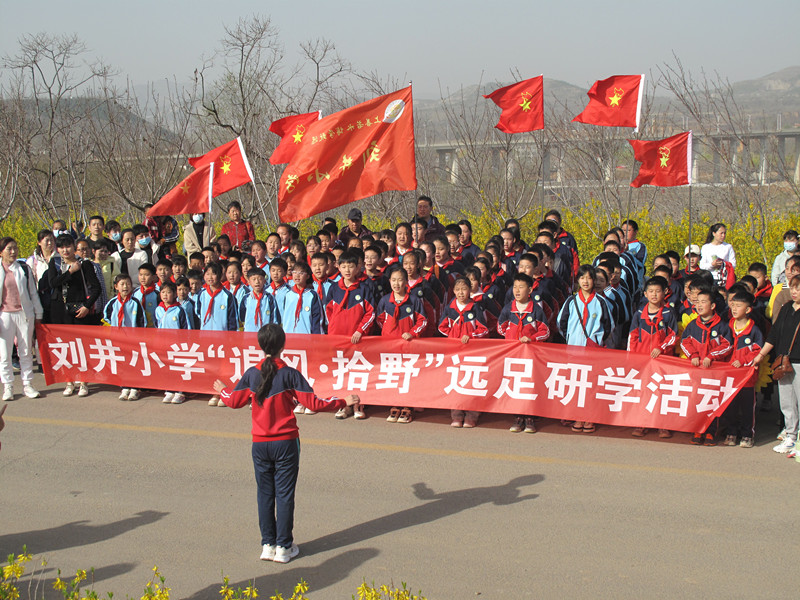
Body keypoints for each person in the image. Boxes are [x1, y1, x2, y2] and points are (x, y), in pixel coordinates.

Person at [213, 324, 359, 564]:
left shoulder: (251, 373)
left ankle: (267, 544)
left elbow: (234, 401)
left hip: (260, 444)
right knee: (284, 494)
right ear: (283, 345)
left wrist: (222, 390)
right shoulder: (290, 374)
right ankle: (284, 545)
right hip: (286, 443)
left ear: (261, 346)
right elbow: (315, 403)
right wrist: (344, 400)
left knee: (265, 493)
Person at [557, 265, 612, 434]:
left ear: (594, 280)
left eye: (588, 278)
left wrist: (596, 339)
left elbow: (609, 326)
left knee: (591, 384)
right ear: (578, 281)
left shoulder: (601, 302)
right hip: (574, 350)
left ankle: (590, 417)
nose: (585, 281)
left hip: (592, 351)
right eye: (582, 278)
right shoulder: (571, 301)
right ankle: (576, 415)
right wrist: (571, 337)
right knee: (575, 382)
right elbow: (561, 323)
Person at [47, 234, 102, 397]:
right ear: (57, 249)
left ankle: (84, 381)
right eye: (62, 247)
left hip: (79, 310)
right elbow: (53, 283)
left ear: (74, 247)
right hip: (59, 311)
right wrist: (70, 272)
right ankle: (69, 381)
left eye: (68, 246)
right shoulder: (55, 262)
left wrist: (87, 306)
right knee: (64, 347)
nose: (65, 250)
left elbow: (97, 288)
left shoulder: (84, 264)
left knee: (80, 347)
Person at [324, 251, 375, 420]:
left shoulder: (364, 289)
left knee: (357, 371)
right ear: (338, 267)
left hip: (357, 339)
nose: (347, 270)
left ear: (358, 268)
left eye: (351, 266)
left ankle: (359, 404)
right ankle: (343, 405)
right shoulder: (333, 288)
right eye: (343, 266)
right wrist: (333, 330)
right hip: (337, 338)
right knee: (341, 372)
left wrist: (360, 330)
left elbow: (371, 313)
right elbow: (328, 311)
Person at [680, 289, 734, 445]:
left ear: (713, 305)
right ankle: (697, 430)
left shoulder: (722, 326)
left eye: (704, 302)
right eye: (697, 302)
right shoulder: (692, 325)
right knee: (696, 400)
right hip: (697, 371)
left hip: (714, 372)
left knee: (712, 401)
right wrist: (693, 355)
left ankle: (711, 432)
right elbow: (685, 342)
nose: (699, 305)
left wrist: (712, 356)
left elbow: (727, 345)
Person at [754, 275, 800, 456]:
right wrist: (761, 355)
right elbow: (773, 335)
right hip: (784, 361)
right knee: (787, 401)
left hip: (799, 362)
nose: (794, 291)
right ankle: (790, 435)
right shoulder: (787, 307)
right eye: (793, 287)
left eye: (798, 288)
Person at [627, 276, 678, 438]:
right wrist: (632, 358)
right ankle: (641, 423)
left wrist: (661, 348)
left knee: (661, 391)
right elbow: (632, 336)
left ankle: (663, 425)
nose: (654, 294)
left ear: (665, 293)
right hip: (642, 360)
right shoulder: (639, 313)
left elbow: (673, 336)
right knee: (643, 391)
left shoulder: (669, 313)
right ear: (645, 294)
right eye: (651, 291)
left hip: (662, 361)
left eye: (658, 291)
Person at [499, 273, 550, 434]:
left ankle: (530, 418)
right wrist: (510, 336)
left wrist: (532, 338)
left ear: (530, 290)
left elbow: (545, 331)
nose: (517, 290)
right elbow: (500, 327)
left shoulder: (536, 309)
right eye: (515, 287)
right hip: (513, 355)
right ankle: (517, 417)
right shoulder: (509, 308)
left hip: (530, 356)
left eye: (521, 287)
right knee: (515, 384)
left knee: (529, 385)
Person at [376, 267, 428, 425]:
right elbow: (379, 319)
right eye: (393, 280)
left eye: (400, 280)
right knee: (393, 374)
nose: (396, 283)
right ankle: (395, 403)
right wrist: (388, 334)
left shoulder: (414, 301)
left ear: (406, 282)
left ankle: (407, 405)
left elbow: (423, 321)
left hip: (408, 345)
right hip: (390, 346)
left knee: (407, 375)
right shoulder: (385, 300)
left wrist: (411, 333)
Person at [438, 276, 489, 428]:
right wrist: (453, 336)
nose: (461, 293)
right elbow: (441, 326)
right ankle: (457, 414)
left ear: (470, 290)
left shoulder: (476, 307)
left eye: (464, 289)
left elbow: (484, 329)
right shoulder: (450, 308)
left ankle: (472, 414)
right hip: (454, 352)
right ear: (453, 291)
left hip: (472, 352)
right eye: (458, 289)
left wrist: (471, 336)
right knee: (456, 382)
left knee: (471, 382)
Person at [0, 237, 44, 401]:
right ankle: (8, 386)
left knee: (25, 351)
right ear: (1, 251)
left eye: (15, 248)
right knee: (4, 353)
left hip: (24, 314)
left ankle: (28, 384)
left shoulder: (23, 268)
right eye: (9, 249)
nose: (13, 252)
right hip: (4, 315)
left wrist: (38, 314)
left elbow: (33, 293)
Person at [720, 291, 763, 448]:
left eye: (739, 306)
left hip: (747, 377)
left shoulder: (754, 330)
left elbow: (758, 350)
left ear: (748, 309)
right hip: (729, 375)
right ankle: (731, 433)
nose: (735, 309)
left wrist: (743, 360)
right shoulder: (727, 326)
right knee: (730, 406)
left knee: (746, 408)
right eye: (733, 305)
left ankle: (747, 435)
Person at [195, 263, 237, 406]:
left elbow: (233, 320)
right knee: (210, 365)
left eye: (213, 274)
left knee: (223, 366)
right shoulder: (201, 295)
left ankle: (221, 392)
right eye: (207, 274)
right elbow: (198, 314)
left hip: (223, 339)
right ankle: (211, 392)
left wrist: (231, 338)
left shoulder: (227, 296)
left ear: (220, 276)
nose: (210, 277)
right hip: (206, 337)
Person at [102, 273, 145, 400]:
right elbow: (106, 318)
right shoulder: (112, 303)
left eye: (128, 284)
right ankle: (124, 386)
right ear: (116, 287)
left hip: (132, 339)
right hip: (118, 339)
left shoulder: (135, 303)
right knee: (122, 363)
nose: (125, 287)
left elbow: (141, 321)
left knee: (133, 363)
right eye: (122, 284)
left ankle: (134, 388)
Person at [155, 281, 189, 404]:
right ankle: (169, 390)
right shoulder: (158, 309)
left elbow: (186, 329)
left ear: (175, 294)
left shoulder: (179, 310)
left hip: (177, 346)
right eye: (163, 292)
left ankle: (180, 391)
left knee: (178, 368)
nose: (165, 295)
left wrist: (184, 345)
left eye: (169, 292)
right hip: (163, 345)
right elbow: (156, 326)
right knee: (167, 368)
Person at [240, 268, 280, 332]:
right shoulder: (246, 298)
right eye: (254, 279)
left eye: (260, 279)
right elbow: (242, 316)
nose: (257, 282)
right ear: (249, 282)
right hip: (249, 332)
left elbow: (274, 316)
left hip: (266, 333)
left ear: (264, 281)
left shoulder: (269, 298)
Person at [699, 223, 735, 287]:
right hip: (709, 279)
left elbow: (733, 264)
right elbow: (702, 265)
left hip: (724, 279)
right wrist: (712, 265)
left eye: (724, 233)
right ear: (714, 233)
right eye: (721, 233)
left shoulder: (728, 247)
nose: (723, 235)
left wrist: (723, 264)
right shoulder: (706, 247)